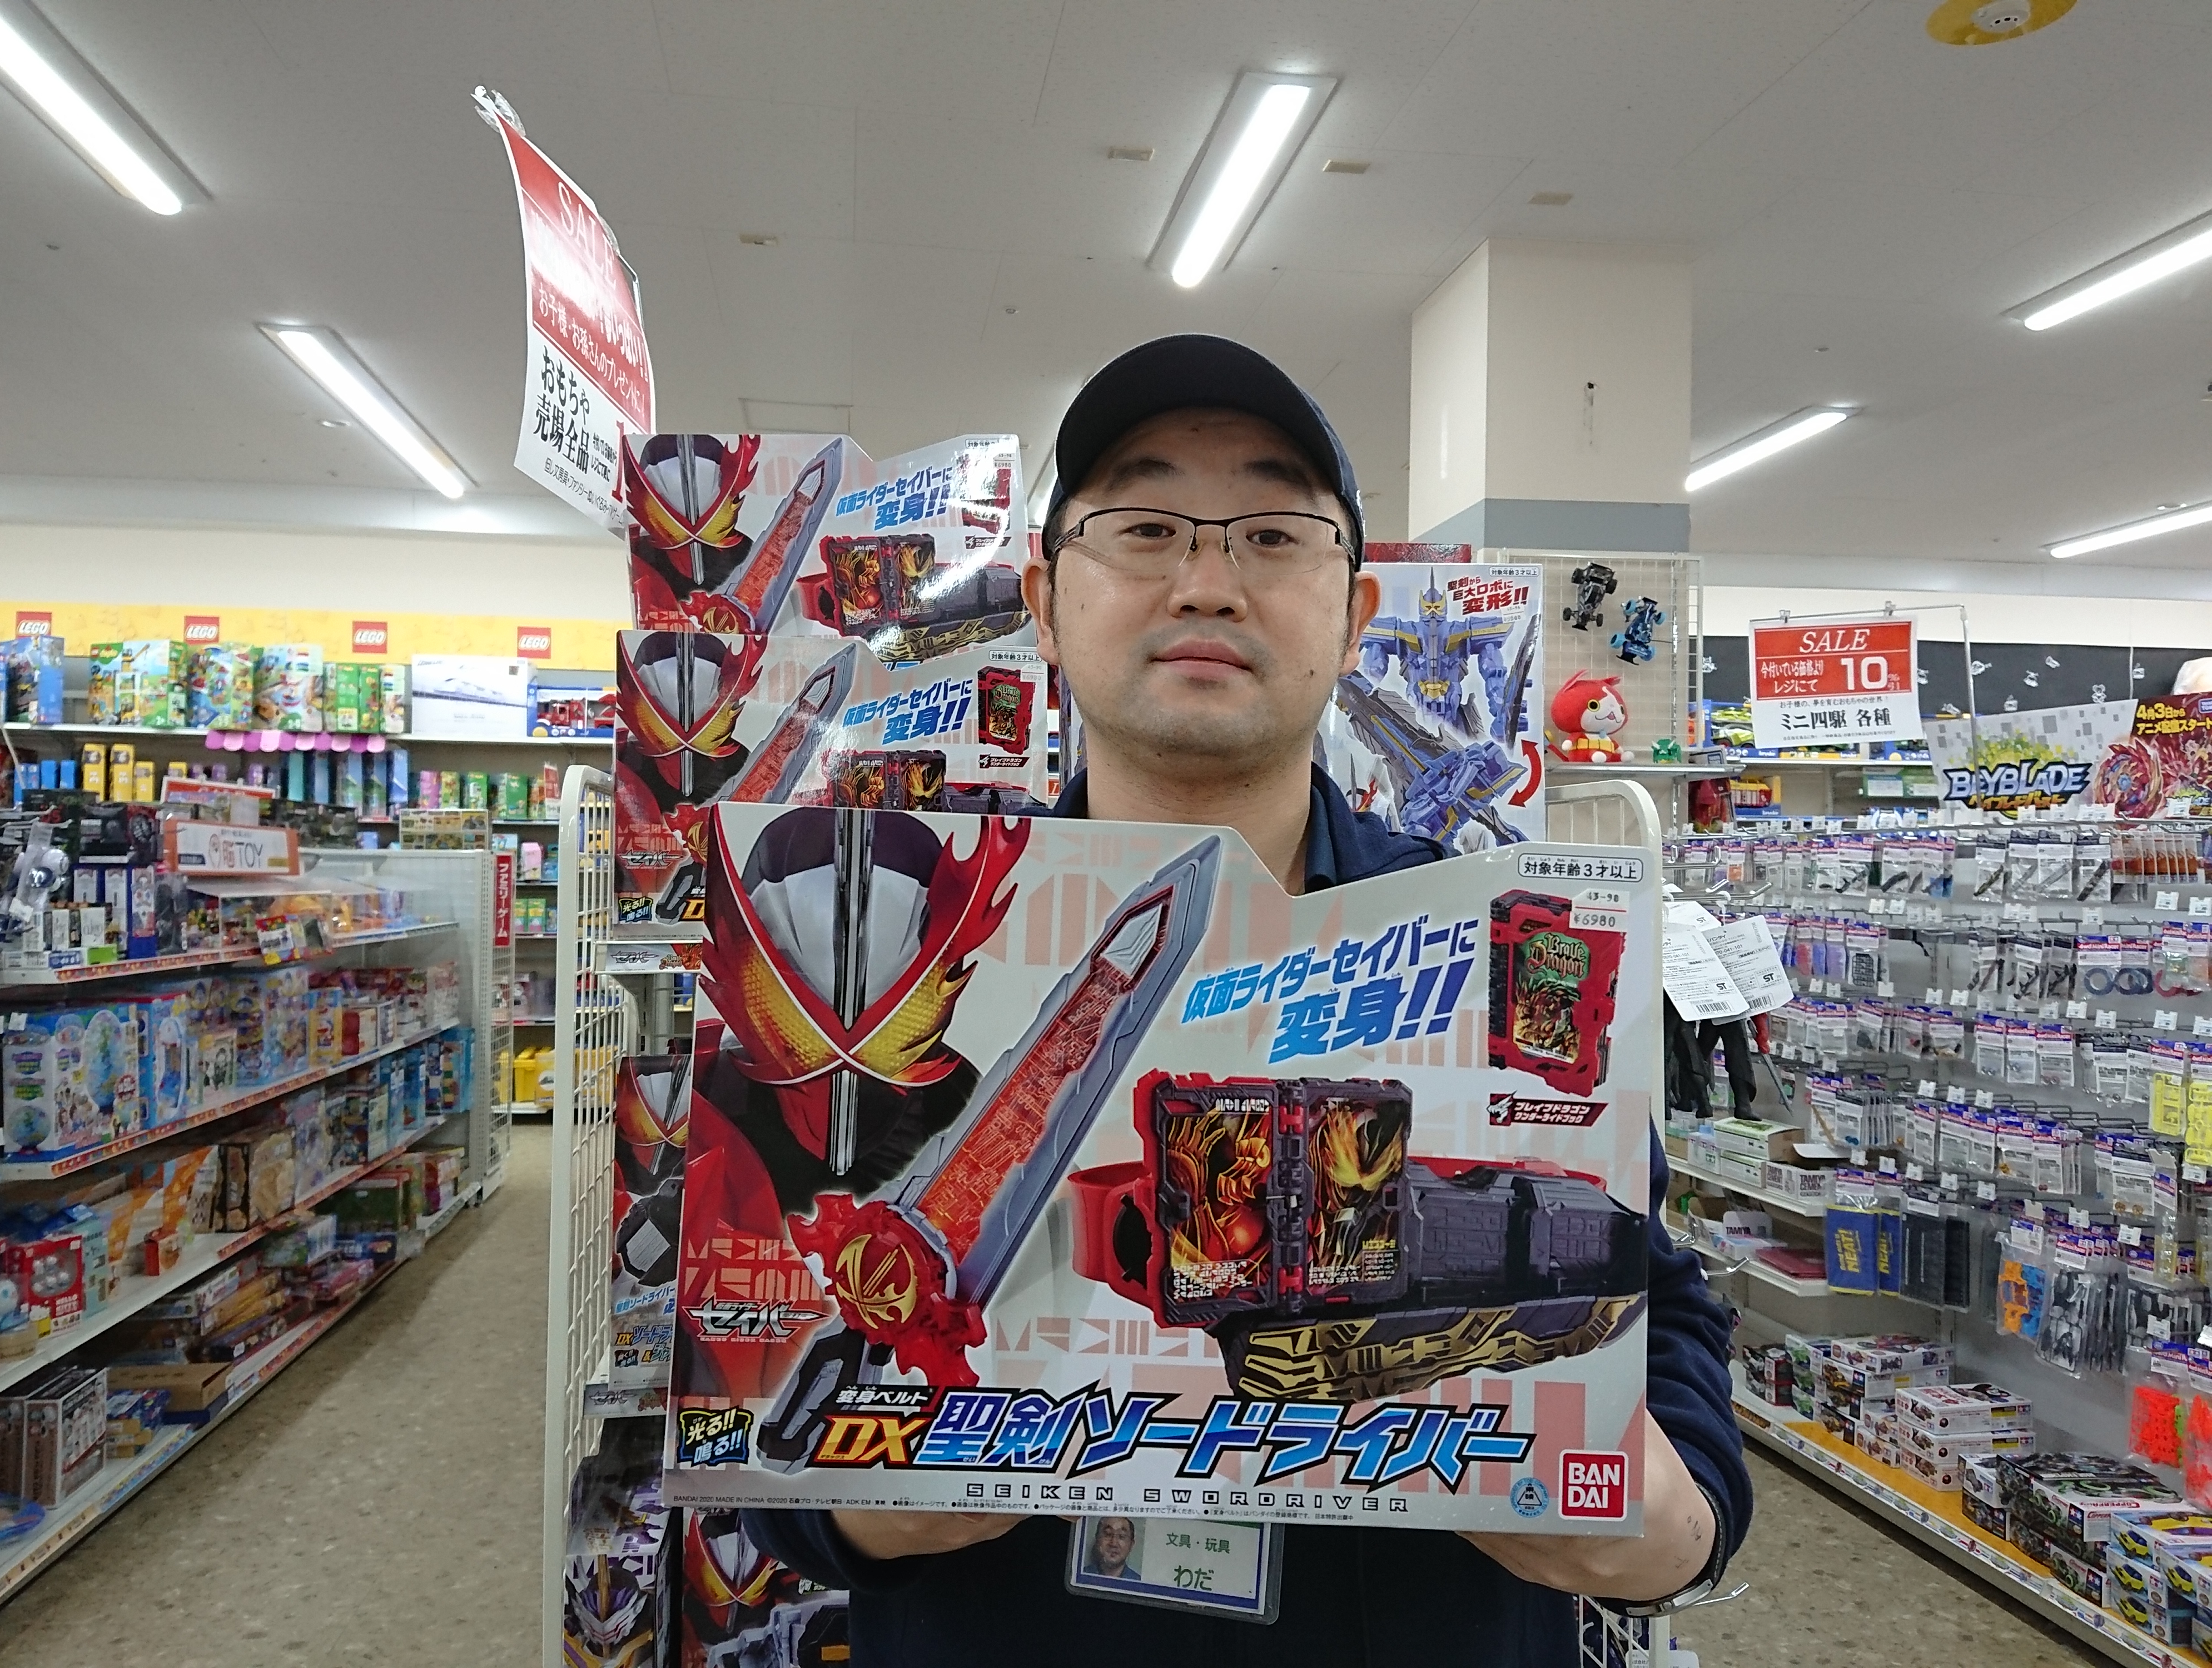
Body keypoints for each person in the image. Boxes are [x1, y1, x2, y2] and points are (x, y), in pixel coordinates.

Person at [742, 334, 1752, 1666]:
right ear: (1044, 599)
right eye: (1144, 526)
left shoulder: (1498, 948)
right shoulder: (892, 969)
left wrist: (1670, 1527)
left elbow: (1658, 1308)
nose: (1207, 581)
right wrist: (846, 1513)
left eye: (1273, 535)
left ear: (1354, 612)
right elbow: (754, 1398)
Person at [1084, 1517, 1141, 1582]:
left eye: (1122, 1536)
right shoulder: (1083, 1575)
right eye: (1108, 1534)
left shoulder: (1139, 1582)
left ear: (1131, 1545)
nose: (1114, 1544)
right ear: (1097, 1539)